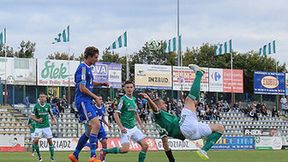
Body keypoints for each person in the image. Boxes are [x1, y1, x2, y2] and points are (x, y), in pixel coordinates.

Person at [139, 64, 224, 161]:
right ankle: (199, 74)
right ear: (158, 106)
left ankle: (204, 150)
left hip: (191, 134)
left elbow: (165, 143)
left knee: (220, 128)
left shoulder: (159, 123)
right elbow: (154, 108)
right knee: (189, 99)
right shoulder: (158, 115)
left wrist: (172, 160)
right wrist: (148, 98)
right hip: (185, 128)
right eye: (163, 104)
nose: (166, 105)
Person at [68, 46, 109, 162]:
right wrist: (96, 97)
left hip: (86, 101)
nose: (97, 60)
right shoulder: (83, 68)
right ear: (89, 56)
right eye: (95, 57)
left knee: (88, 131)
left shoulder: (88, 68)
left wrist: (102, 83)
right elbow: (82, 88)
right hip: (83, 101)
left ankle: (75, 155)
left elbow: (89, 83)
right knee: (96, 124)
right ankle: (93, 157)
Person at [102, 81, 148, 162]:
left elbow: (136, 113)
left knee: (145, 146)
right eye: (127, 87)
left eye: (131, 87)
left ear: (134, 88)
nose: (129, 89)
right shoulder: (123, 99)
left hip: (133, 127)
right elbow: (116, 114)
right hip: (125, 129)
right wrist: (121, 127)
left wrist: (141, 125)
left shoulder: (134, 99)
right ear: (124, 89)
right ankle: (104, 151)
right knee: (125, 150)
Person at [31, 92, 57, 162]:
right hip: (38, 127)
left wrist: (54, 120)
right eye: (41, 97)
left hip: (46, 126)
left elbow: (51, 114)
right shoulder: (36, 106)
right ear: (39, 98)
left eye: (43, 97)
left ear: (45, 98)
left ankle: (52, 158)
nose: (42, 98)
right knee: (36, 140)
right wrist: (37, 120)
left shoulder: (48, 106)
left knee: (50, 141)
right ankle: (40, 157)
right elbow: (32, 116)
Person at [85, 96, 111, 162]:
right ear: (95, 100)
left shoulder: (103, 108)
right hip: (94, 127)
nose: (100, 100)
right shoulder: (92, 108)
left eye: (101, 99)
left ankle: (102, 159)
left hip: (101, 127)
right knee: (95, 146)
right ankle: (86, 146)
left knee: (105, 143)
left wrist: (107, 124)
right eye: (99, 99)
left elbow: (102, 118)